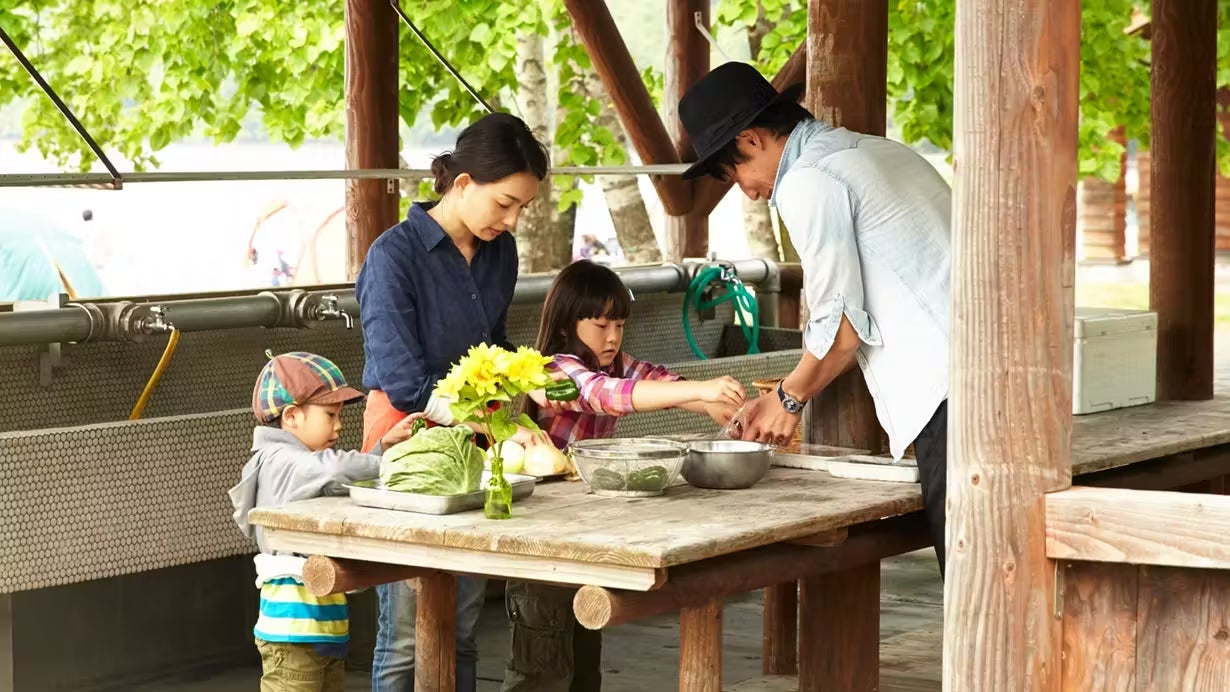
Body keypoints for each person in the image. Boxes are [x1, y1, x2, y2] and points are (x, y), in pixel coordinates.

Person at [677, 62, 952, 573]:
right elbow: (856, 325)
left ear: (751, 138)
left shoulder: (807, 181)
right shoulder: (879, 152)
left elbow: (840, 325)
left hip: (947, 398)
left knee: (972, 583)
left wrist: (789, 399)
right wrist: (783, 394)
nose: (747, 191)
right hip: (988, 379)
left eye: (734, 173)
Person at [354, 111, 552, 692]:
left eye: (522, 208)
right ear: (462, 183)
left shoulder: (500, 252)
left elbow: (493, 343)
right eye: (505, 203)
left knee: (462, 626)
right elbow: (403, 381)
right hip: (408, 434)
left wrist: (537, 377)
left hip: (477, 436)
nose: (511, 221)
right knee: (406, 634)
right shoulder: (392, 256)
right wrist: (495, 423)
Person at [502, 260, 746, 692]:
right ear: (566, 325)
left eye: (619, 325)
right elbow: (605, 395)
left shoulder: (615, 363)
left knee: (583, 664)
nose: (612, 337)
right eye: (600, 326)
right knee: (540, 671)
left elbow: (655, 381)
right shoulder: (553, 369)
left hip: (583, 531)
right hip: (540, 536)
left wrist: (714, 404)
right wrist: (700, 390)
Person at [227, 351, 422, 692]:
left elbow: (331, 475)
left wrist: (383, 448)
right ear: (291, 416)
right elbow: (333, 469)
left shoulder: (298, 463)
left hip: (321, 632)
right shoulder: (280, 460)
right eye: (330, 414)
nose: (339, 424)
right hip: (294, 635)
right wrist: (397, 463)